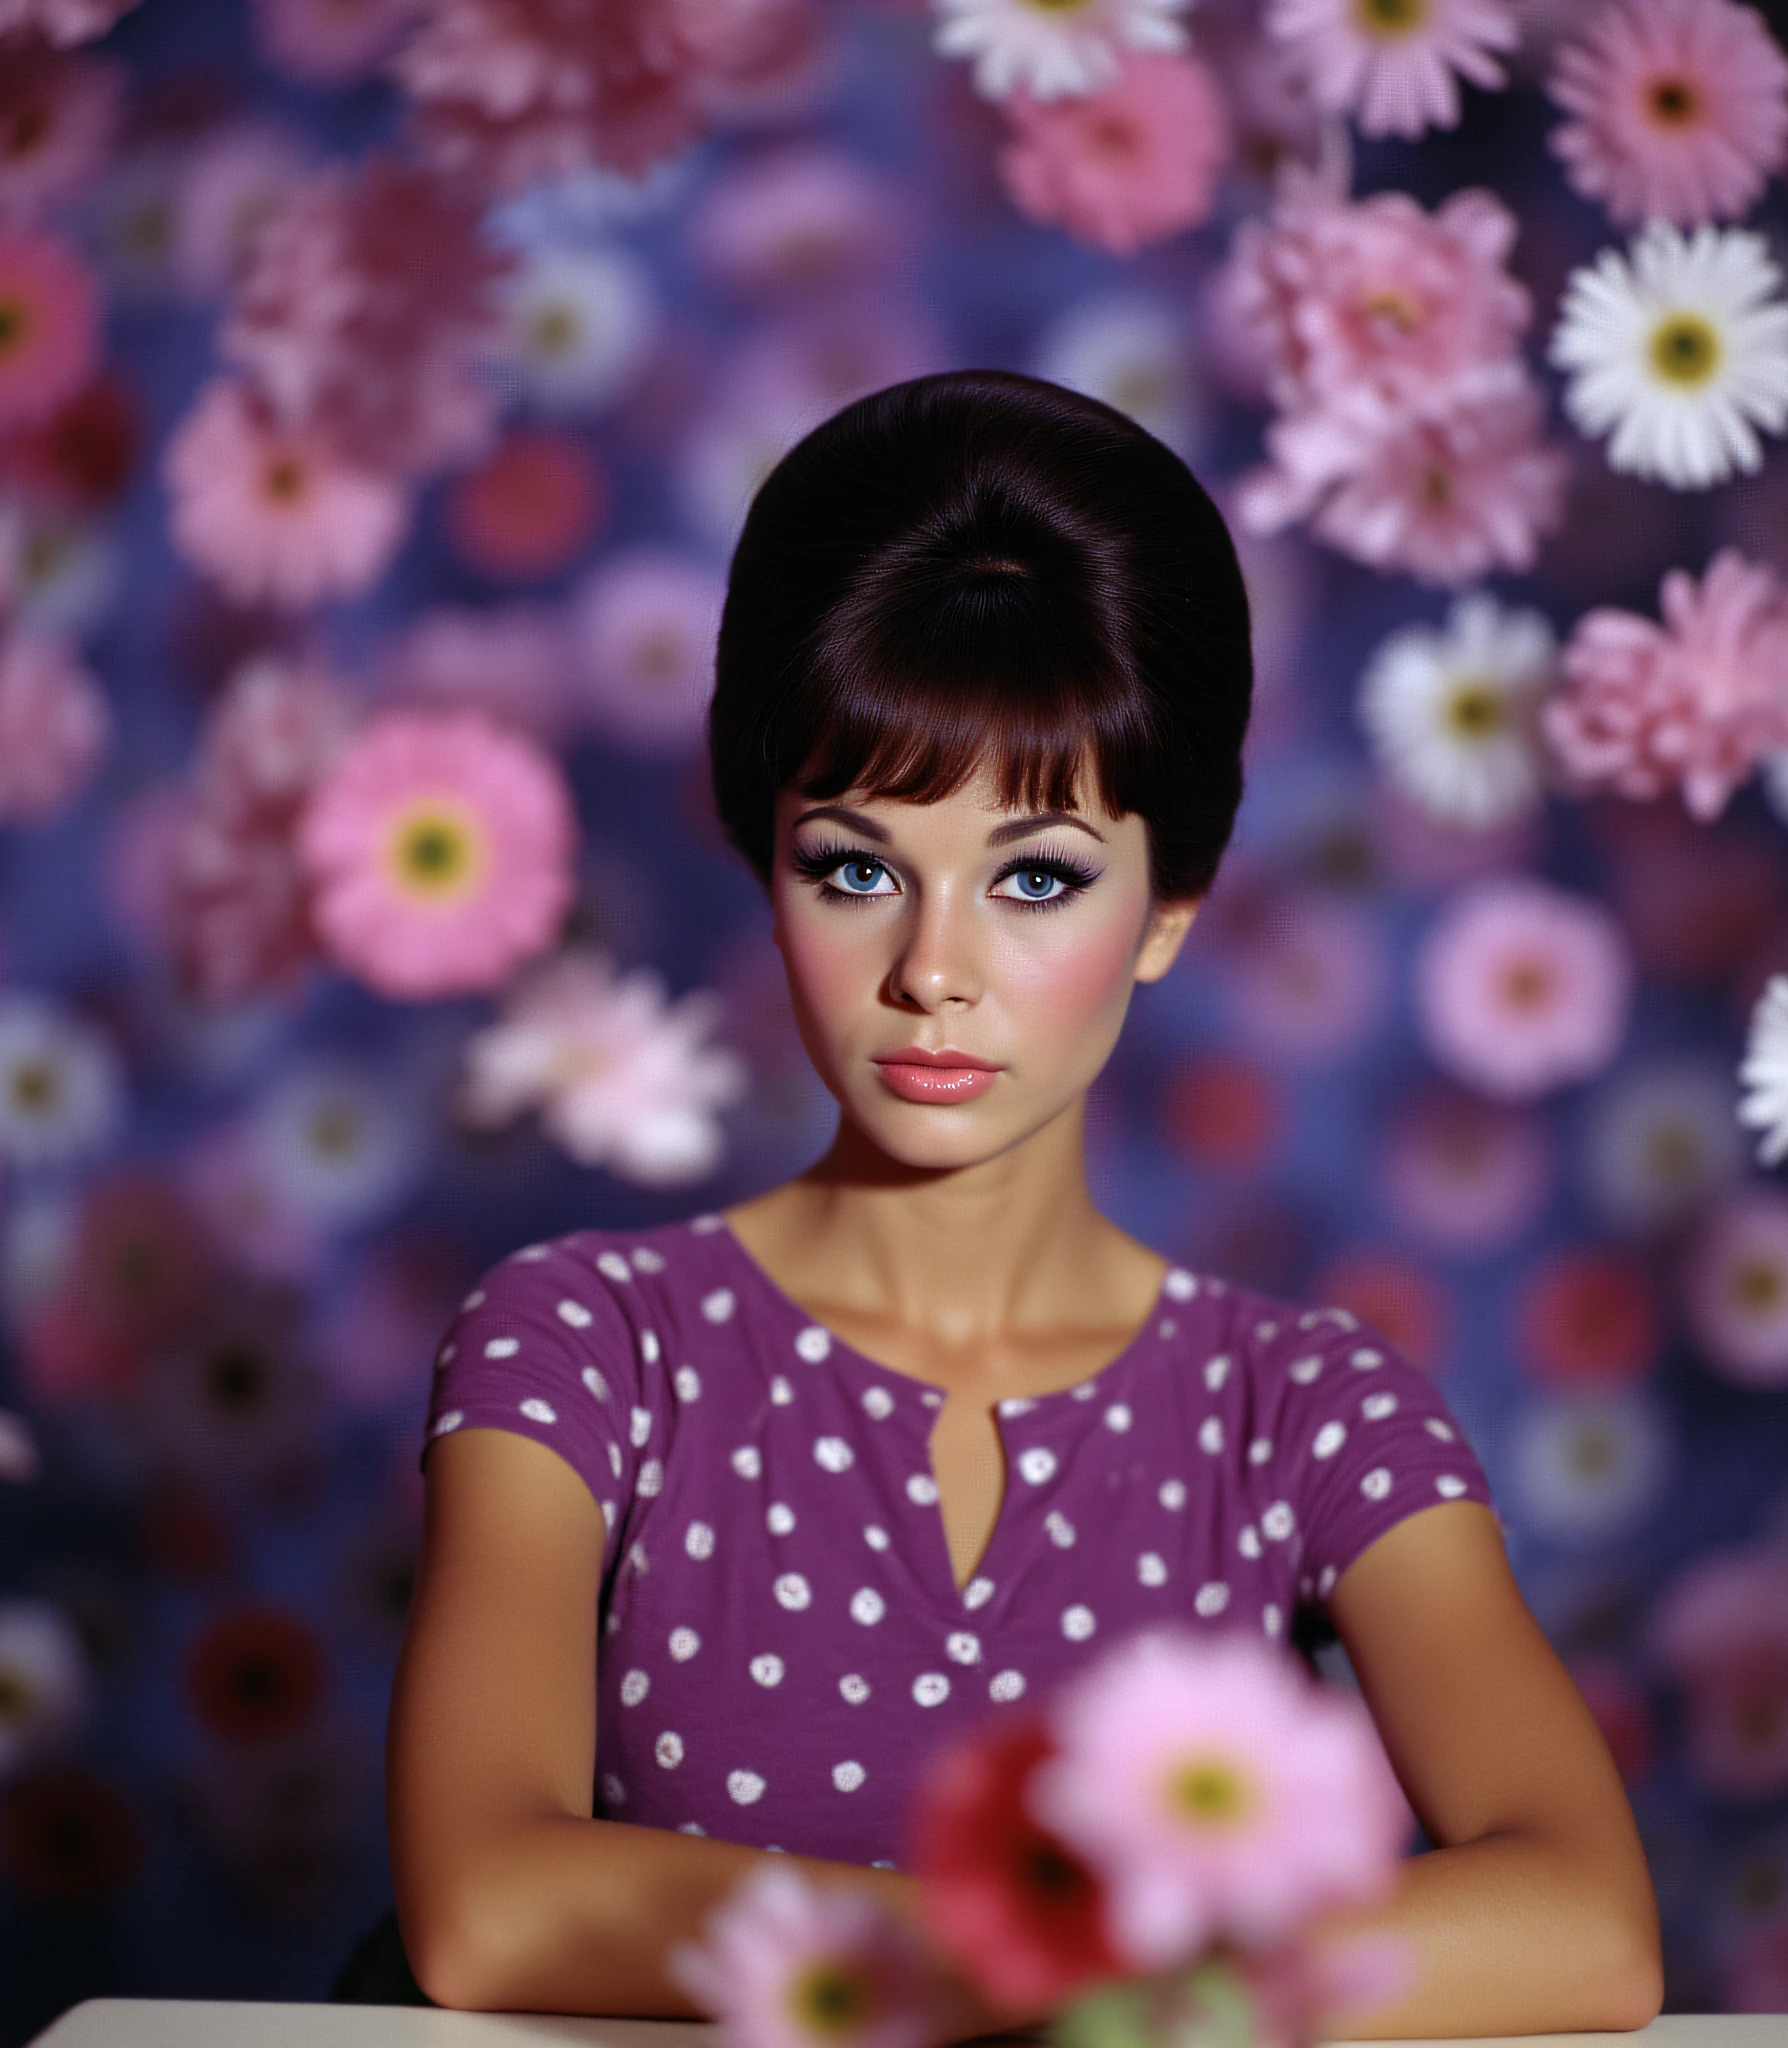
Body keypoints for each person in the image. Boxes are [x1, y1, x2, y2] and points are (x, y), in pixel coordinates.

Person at [385, 368, 1663, 2037]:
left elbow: (1587, 1922)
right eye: (854, 866)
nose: (932, 973)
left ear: (1169, 910)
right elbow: (487, 1908)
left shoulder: (1301, 1409)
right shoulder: (591, 1341)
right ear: (762, 870)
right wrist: (1060, 1963)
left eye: (1037, 880)